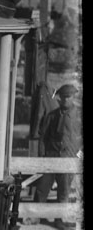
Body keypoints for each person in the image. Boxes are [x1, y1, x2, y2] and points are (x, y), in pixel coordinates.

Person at [35, 83, 80, 220]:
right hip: (50, 157)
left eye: (68, 97)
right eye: (63, 97)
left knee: (63, 191)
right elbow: (43, 137)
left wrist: (78, 155)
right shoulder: (51, 116)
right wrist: (42, 156)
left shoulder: (78, 116)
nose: (65, 100)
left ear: (73, 97)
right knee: (42, 188)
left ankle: (59, 220)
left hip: (68, 158)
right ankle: (35, 216)